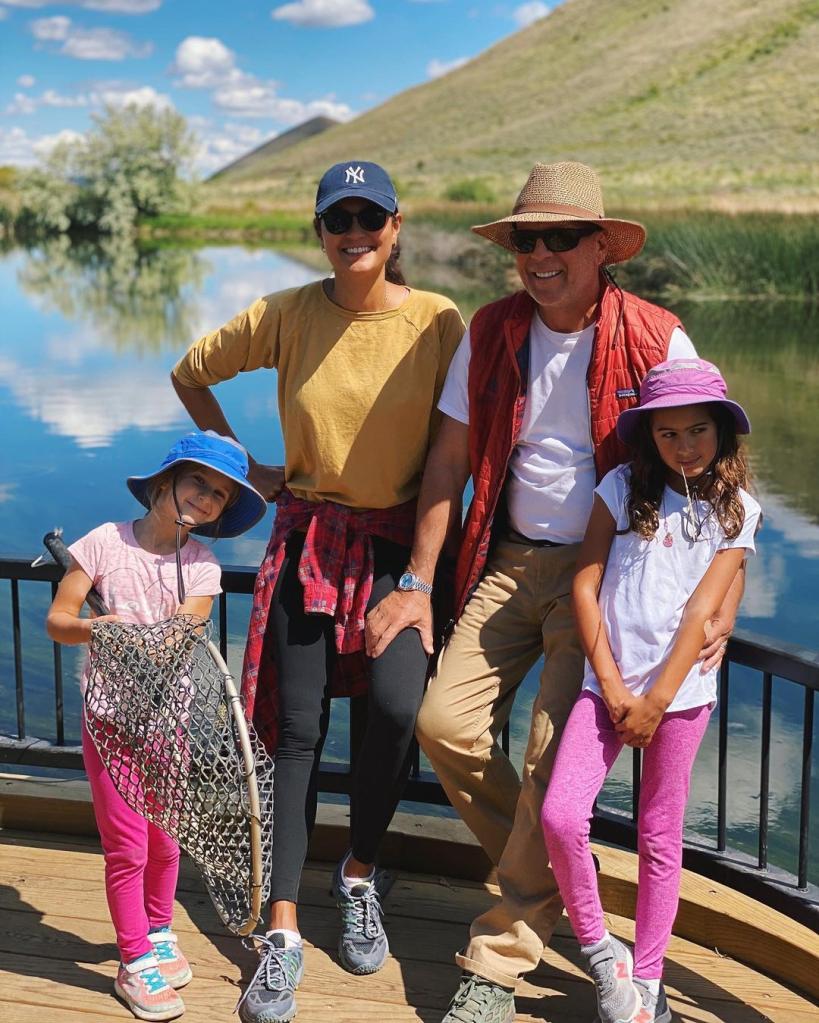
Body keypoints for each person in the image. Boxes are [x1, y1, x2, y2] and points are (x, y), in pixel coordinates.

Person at [364, 161, 744, 1022]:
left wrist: (721, 603)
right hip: (503, 559)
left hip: (602, 579)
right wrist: (419, 580)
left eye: (559, 237)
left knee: (547, 759)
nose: (539, 254)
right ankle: (562, 879)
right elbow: (451, 459)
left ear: (601, 246)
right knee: (442, 724)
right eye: (525, 239)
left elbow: (718, 472)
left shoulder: (656, 336)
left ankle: (496, 958)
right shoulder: (492, 330)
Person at [170, 161, 465, 1023]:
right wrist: (242, 463)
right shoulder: (288, 313)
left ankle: (359, 873)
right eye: (339, 218)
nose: (355, 232)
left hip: (399, 548)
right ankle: (283, 931)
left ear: (396, 226)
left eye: (370, 216)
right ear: (320, 232)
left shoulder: (438, 322)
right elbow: (192, 370)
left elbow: (461, 444)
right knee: (295, 733)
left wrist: (427, 570)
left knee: (398, 710)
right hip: (308, 539)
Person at [541, 358, 760, 1023]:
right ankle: (602, 953)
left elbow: (702, 610)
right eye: (668, 434)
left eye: (697, 430)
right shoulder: (619, 487)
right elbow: (585, 583)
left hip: (680, 696)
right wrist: (611, 685)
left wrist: (658, 698)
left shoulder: (736, 509)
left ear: (720, 431)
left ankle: (652, 975)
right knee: (560, 815)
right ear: (649, 438)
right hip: (605, 688)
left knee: (659, 838)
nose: (684, 445)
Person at [46, 430, 267, 1022]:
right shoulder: (102, 544)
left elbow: (188, 627)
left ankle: (159, 927)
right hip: (112, 722)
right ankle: (133, 957)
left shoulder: (201, 564)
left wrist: (162, 634)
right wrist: (102, 628)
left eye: (219, 494)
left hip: (169, 724)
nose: (205, 498)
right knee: (128, 846)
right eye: (198, 481)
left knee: (167, 837)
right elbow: (60, 620)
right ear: (164, 482)